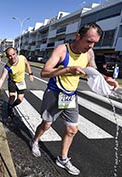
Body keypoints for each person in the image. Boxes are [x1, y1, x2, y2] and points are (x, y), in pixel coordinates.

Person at [30, 23, 119, 176]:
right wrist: (68, 69)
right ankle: (35, 140)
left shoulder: (89, 53)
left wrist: (106, 78)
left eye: (94, 43)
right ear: (78, 36)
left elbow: (93, 72)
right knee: (46, 125)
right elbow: (44, 72)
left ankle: (62, 159)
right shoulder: (62, 50)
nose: (91, 46)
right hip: (54, 92)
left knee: (72, 129)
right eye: (88, 41)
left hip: (70, 95)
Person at [0, 47, 34, 122]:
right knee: (12, 97)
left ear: (16, 53)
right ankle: (9, 113)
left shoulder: (22, 58)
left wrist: (30, 74)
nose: (12, 57)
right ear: (7, 57)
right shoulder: (7, 66)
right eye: (9, 56)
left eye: (13, 54)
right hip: (12, 82)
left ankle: (11, 106)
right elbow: (2, 79)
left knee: (20, 99)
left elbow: (27, 64)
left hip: (21, 82)